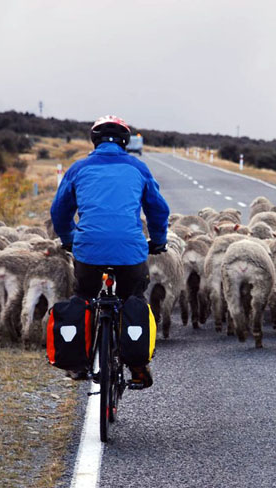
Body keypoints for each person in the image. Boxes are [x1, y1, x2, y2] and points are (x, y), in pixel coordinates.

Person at [50, 115, 170, 388]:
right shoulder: (138, 168)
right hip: (130, 250)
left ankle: (77, 363)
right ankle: (139, 365)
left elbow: (59, 210)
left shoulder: (79, 168)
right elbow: (158, 209)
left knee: (83, 296)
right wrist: (158, 240)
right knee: (134, 297)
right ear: (126, 142)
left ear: (94, 141)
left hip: (88, 249)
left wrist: (69, 238)